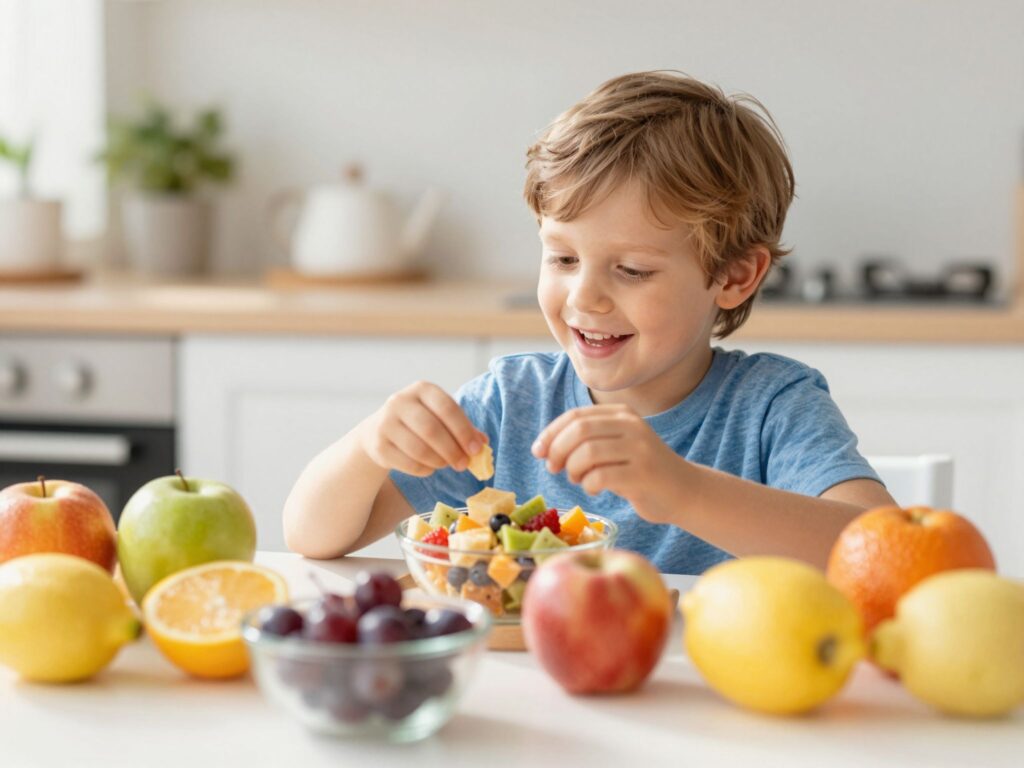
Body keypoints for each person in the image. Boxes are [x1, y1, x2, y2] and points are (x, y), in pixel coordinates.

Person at [283, 71, 894, 573]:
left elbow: (879, 553)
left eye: (631, 269)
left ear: (734, 277)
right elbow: (313, 537)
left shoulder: (772, 406)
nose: (586, 297)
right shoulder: (511, 403)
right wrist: (368, 446)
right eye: (564, 258)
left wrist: (680, 489)